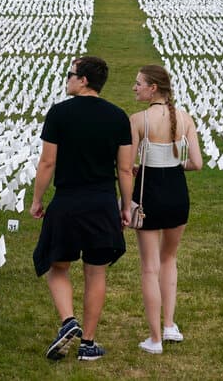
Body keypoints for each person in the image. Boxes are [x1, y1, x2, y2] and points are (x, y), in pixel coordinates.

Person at [31, 56, 135, 362]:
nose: (67, 79)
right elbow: (126, 169)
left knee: (58, 266)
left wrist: (37, 200)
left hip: (67, 201)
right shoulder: (118, 117)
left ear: (84, 80)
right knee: (96, 273)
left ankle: (68, 321)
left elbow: (47, 162)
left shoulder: (59, 113)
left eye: (70, 74)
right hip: (102, 202)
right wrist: (125, 207)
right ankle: (88, 343)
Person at [129, 65, 203, 355]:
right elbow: (196, 163)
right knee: (169, 258)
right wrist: (173, 165)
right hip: (177, 192)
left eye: (138, 83)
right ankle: (170, 325)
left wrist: (135, 171)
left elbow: (126, 164)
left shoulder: (138, 120)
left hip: (149, 194)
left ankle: (155, 339)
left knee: (149, 267)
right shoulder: (185, 118)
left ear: (153, 88)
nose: (135, 88)